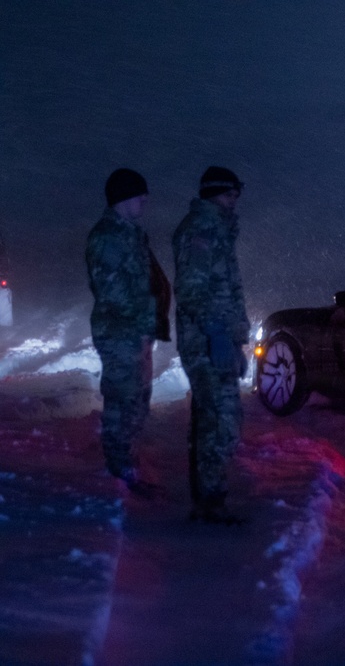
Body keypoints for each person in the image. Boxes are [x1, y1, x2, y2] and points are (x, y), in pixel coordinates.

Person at [173, 166, 250, 524]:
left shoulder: (220, 230)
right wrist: (217, 333)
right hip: (204, 339)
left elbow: (230, 292)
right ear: (214, 195)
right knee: (220, 419)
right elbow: (191, 290)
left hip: (218, 338)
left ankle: (209, 498)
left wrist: (238, 339)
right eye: (229, 195)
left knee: (215, 418)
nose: (235, 202)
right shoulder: (201, 230)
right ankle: (209, 500)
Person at [85, 168, 170, 497]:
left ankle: (128, 467)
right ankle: (119, 475)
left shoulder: (132, 234)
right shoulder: (107, 237)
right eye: (139, 194)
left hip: (136, 332)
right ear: (122, 198)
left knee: (137, 402)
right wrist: (149, 312)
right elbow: (112, 292)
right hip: (120, 334)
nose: (145, 199)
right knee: (122, 403)